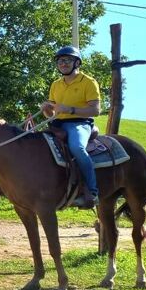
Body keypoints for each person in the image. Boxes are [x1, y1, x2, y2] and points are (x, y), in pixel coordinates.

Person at [40, 45, 101, 209]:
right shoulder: (55, 84)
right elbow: (52, 114)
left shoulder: (88, 82)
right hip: (57, 124)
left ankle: (93, 192)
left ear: (77, 63)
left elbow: (96, 110)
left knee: (77, 147)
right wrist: (47, 110)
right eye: (60, 61)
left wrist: (70, 109)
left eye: (67, 60)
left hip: (80, 123)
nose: (63, 64)